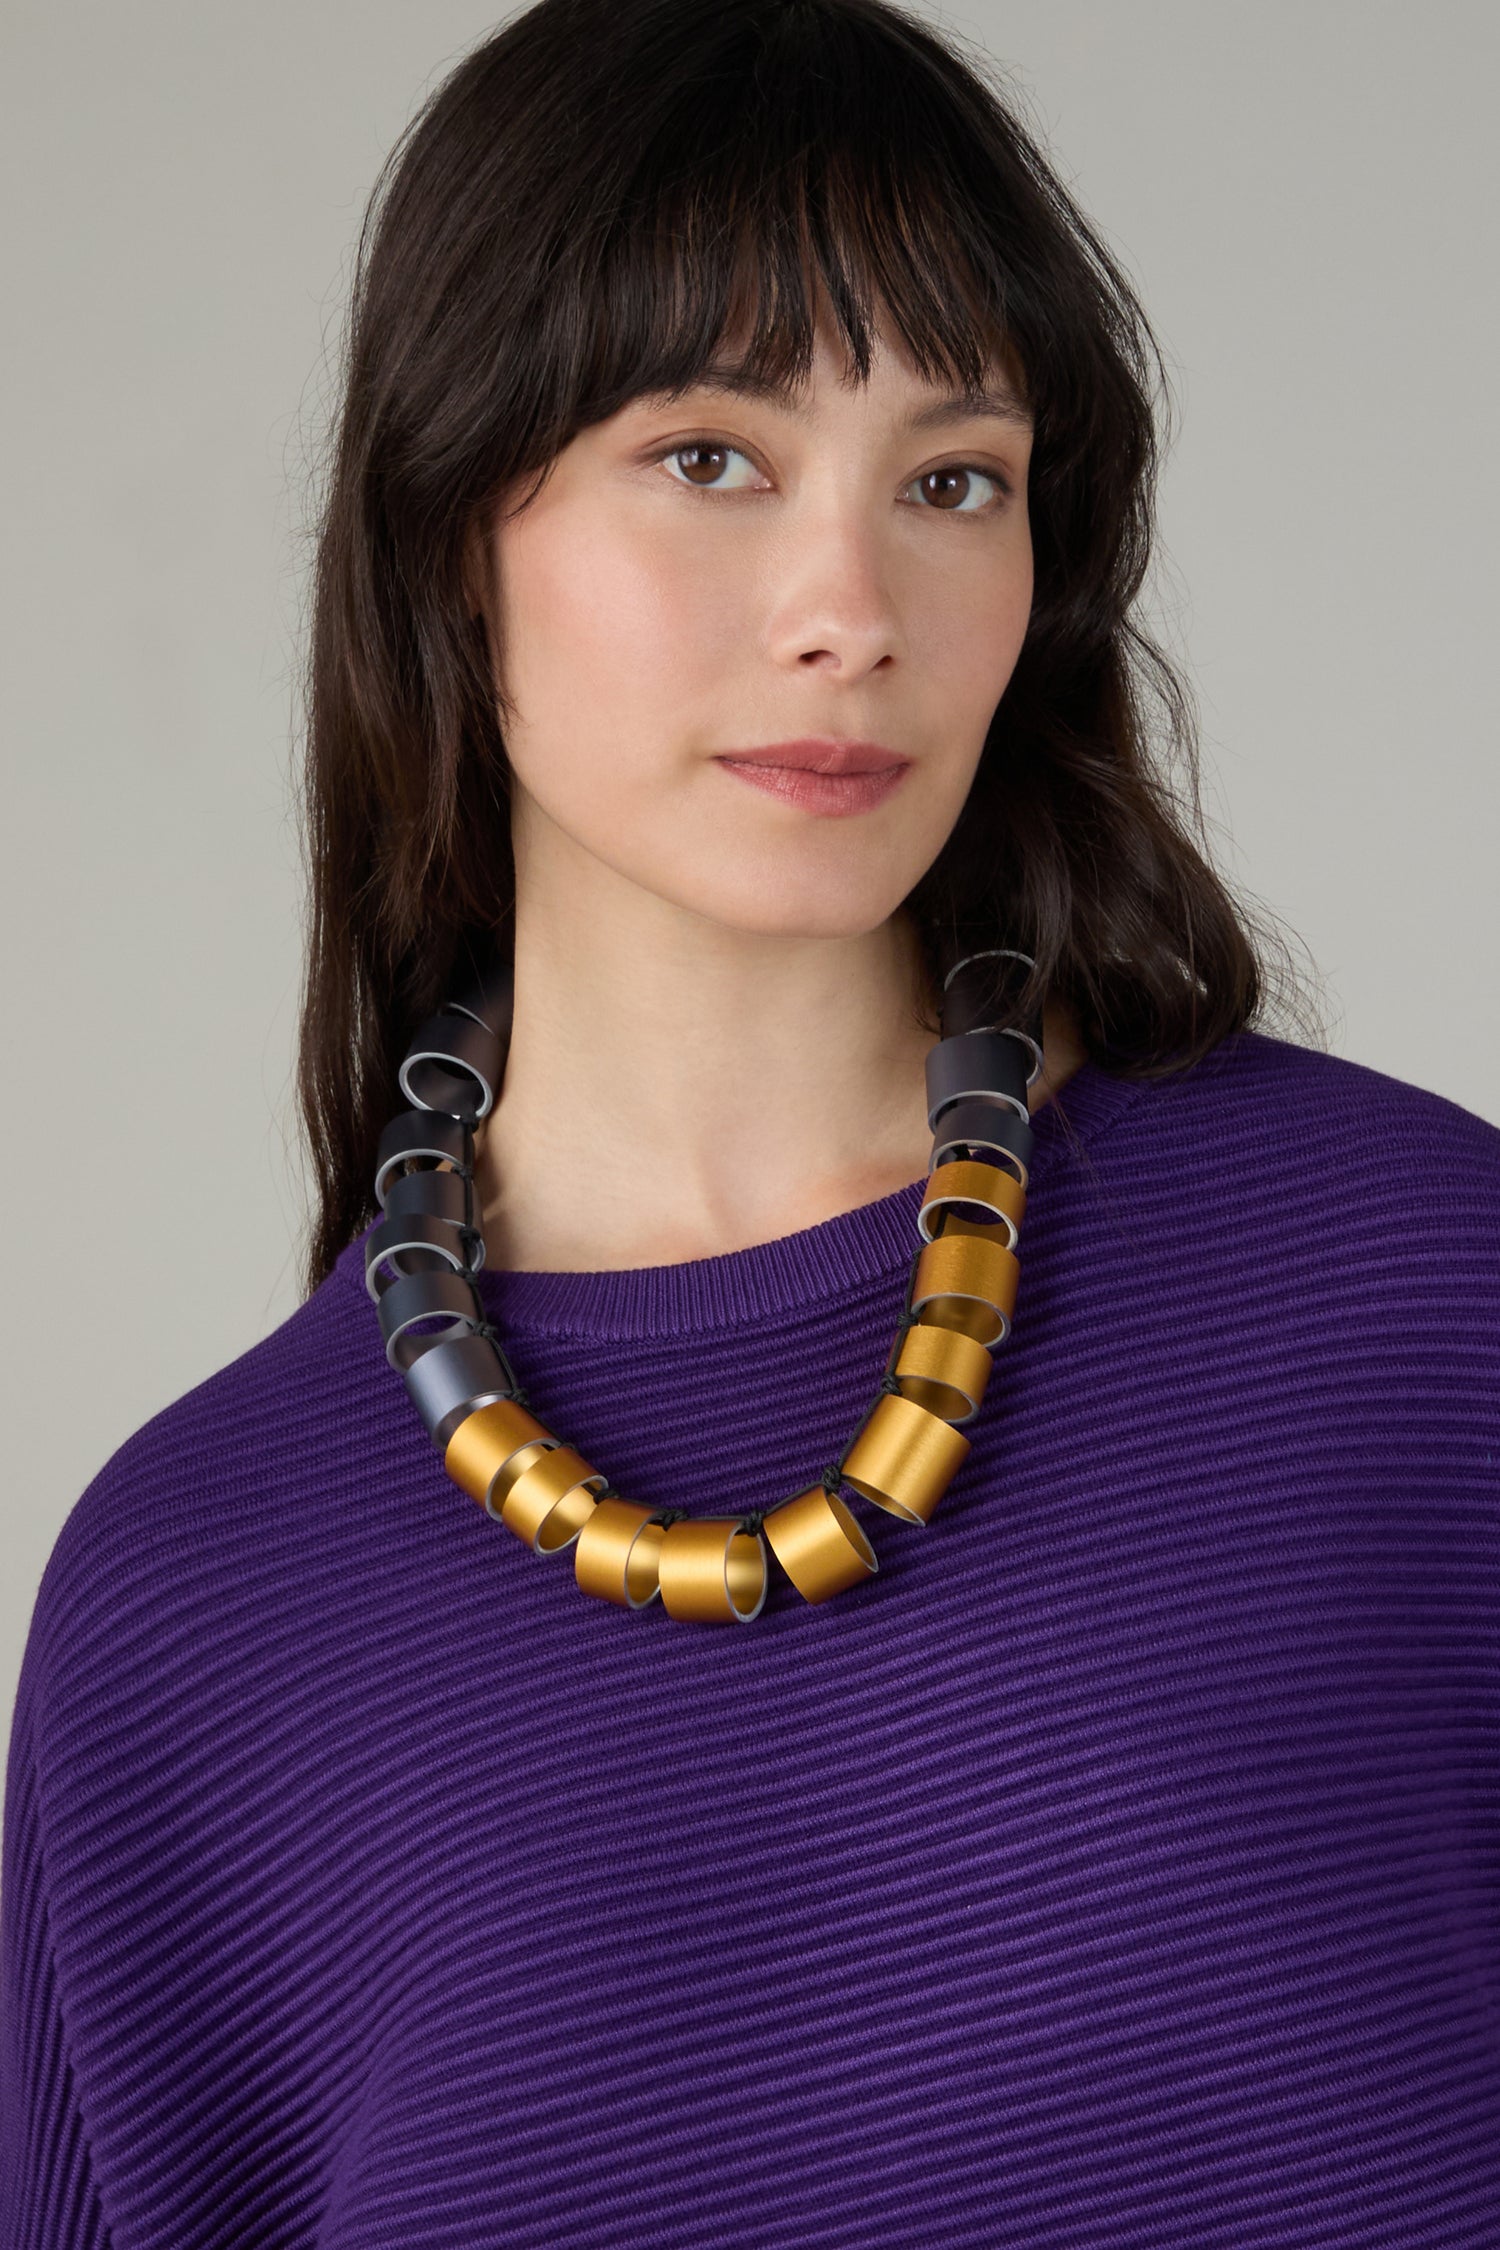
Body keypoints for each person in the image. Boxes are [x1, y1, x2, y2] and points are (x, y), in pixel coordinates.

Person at [4, 0, 1497, 2241]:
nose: (849, 612)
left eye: (952, 480)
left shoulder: (1420, 1297)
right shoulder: (194, 1603)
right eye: (709, 455)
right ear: (451, 533)